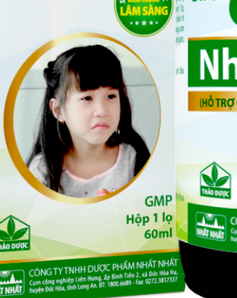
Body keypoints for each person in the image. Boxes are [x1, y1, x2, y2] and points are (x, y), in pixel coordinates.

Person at [27, 44, 151, 197]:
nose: (102, 111)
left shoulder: (133, 158)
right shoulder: (42, 171)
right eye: (87, 98)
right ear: (58, 110)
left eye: (111, 96)